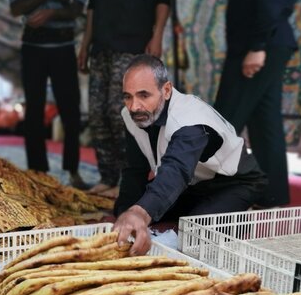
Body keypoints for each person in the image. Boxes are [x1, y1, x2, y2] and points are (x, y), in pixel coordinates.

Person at [113, 55, 267, 255]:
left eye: (144, 95)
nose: (134, 106)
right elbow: (134, 169)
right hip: (192, 185)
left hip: (233, 183)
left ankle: (237, 214)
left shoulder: (189, 120)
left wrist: (140, 213)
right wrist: (126, 213)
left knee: (194, 234)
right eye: (128, 96)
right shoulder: (132, 115)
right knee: (134, 209)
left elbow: (176, 170)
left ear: (166, 90)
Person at [78, 0, 172, 197]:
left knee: (121, 111)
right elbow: (92, 8)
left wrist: (157, 36)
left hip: (132, 45)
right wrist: (85, 45)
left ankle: (127, 181)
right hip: (100, 48)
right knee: (97, 113)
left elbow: (163, 0)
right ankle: (107, 177)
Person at [214, 0, 297, 208]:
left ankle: (209, 200)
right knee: (265, 123)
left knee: (222, 124)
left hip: (258, 46)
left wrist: (258, 46)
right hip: (267, 42)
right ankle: (272, 196)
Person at [9, 0, 88, 189]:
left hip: (64, 45)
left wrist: (51, 12)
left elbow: (78, 8)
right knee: (33, 111)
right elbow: (15, 8)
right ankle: (38, 173)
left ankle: (73, 170)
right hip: (32, 46)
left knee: (70, 111)